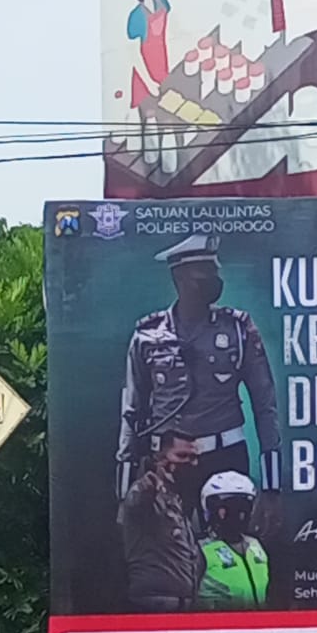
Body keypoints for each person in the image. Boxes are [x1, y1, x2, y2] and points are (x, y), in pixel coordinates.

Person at [115, 234, 282, 526]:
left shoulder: (238, 330)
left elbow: (265, 406)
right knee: (168, 557)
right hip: (166, 464)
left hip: (225, 459)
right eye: (203, 273)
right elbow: (132, 411)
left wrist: (272, 487)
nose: (213, 279)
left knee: (226, 553)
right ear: (178, 277)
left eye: (214, 270)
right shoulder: (147, 336)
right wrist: (126, 489)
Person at [118, 429, 200, 611]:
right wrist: (149, 486)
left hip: (184, 606)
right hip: (153, 605)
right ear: (160, 460)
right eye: (182, 456)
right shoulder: (144, 492)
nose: (190, 463)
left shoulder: (179, 500)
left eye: (194, 458)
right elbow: (138, 503)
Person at [197, 471, 269, 608]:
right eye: (229, 508)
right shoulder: (199, 549)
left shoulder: (256, 547)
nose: (238, 514)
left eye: (243, 508)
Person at [128, 0, 171, 110]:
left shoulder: (162, 2)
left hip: (162, 65)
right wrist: (148, 82)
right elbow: (133, 54)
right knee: (149, 114)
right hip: (144, 72)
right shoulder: (137, 16)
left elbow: (168, 35)